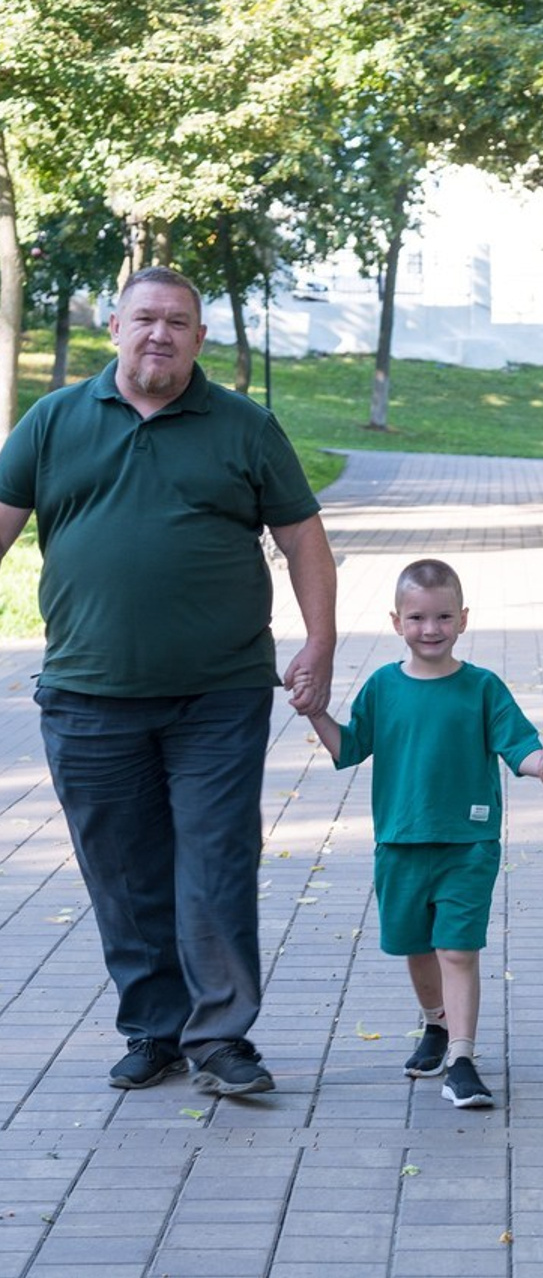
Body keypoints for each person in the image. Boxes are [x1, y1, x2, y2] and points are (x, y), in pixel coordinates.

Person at [0, 266, 337, 1097]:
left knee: (216, 862)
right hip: (87, 693)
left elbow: (302, 539)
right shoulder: (52, 422)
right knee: (123, 868)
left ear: (199, 338)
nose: (160, 334)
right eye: (145, 319)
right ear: (114, 327)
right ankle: (154, 1027)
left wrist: (321, 640)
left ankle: (220, 1037)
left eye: (178, 322)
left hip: (217, 694)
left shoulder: (245, 427)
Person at [305, 558, 543, 1108]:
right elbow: (349, 748)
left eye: (444, 616)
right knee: (416, 946)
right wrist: (314, 713)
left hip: (467, 844)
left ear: (463, 619)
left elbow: (517, 746)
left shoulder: (482, 688)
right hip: (400, 843)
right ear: (396, 621)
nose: (431, 629)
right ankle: (435, 1025)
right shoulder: (382, 686)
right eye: (418, 617)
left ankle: (463, 1060)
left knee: (456, 948)